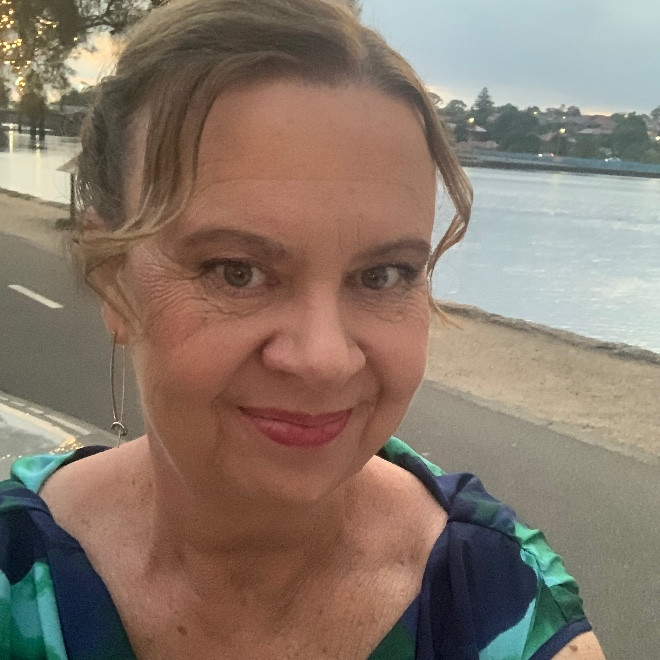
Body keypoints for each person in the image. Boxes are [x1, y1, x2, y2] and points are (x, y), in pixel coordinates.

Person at [0, 0, 605, 658]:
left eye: (383, 275)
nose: (323, 359)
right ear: (114, 279)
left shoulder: (500, 607)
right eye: (237, 272)